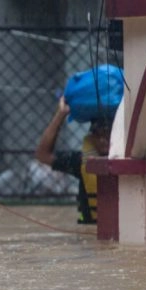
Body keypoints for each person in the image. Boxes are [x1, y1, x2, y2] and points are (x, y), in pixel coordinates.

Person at [35, 96, 111, 224]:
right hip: (89, 230)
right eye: (98, 135)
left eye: (108, 134)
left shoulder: (131, 162)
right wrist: (61, 115)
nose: (103, 140)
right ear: (92, 137)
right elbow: (43, 155)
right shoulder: (80, 161)